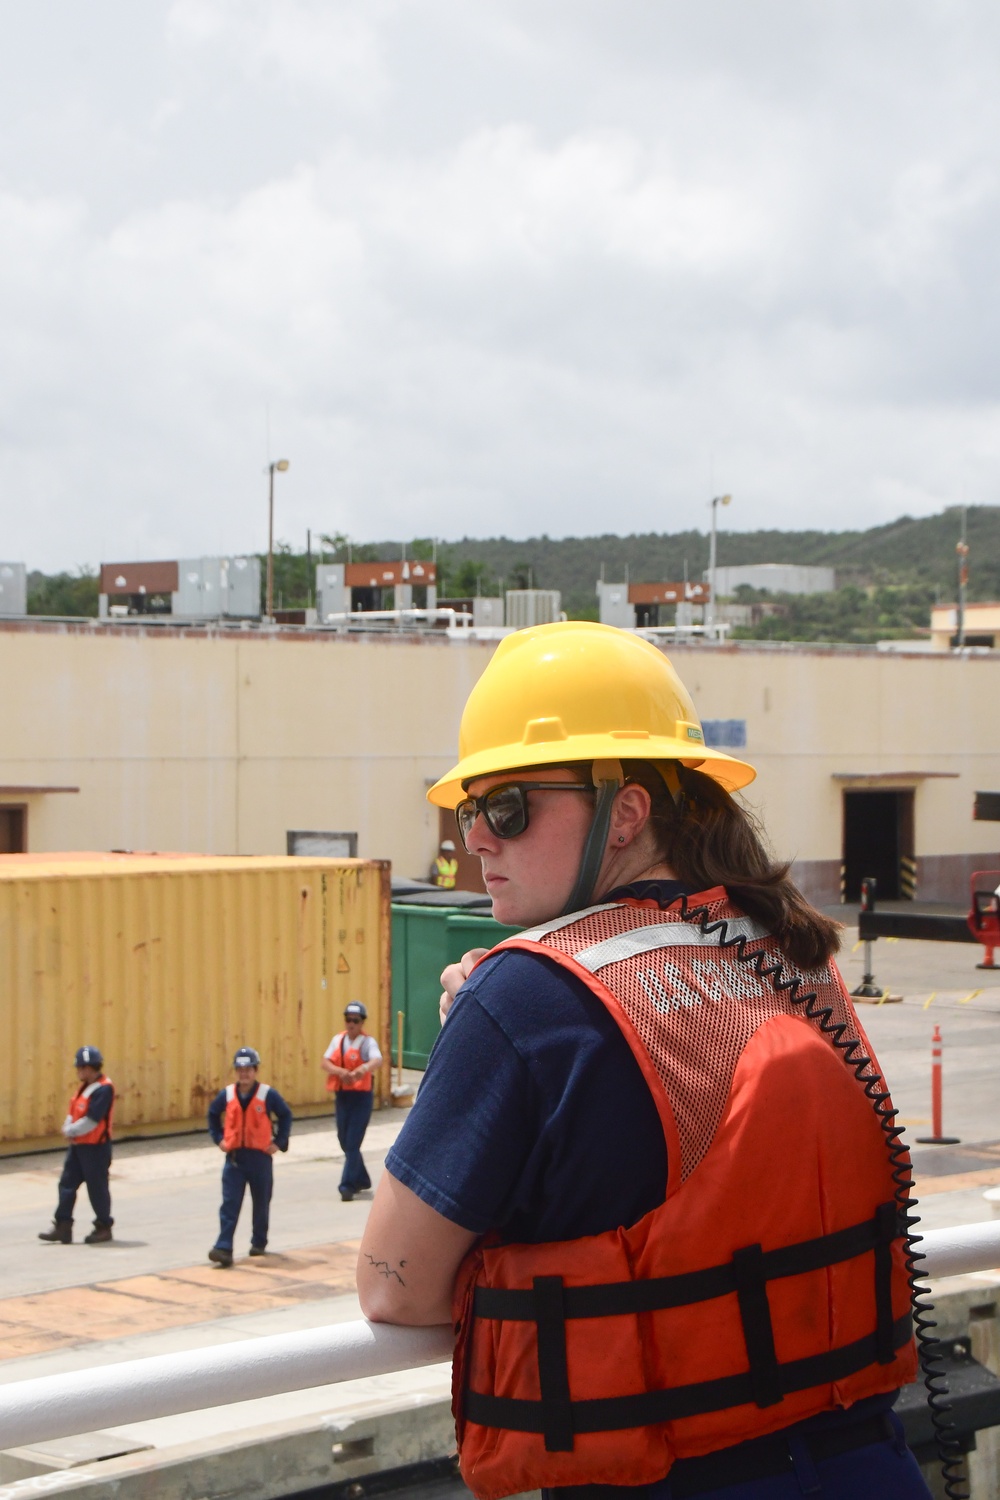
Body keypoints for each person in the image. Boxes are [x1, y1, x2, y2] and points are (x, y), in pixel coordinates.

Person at [359, 622, 929, 1500]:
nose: (477, 840)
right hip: (869, 1464)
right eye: (469, 810)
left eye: (506, 807)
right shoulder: (793, 953)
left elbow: (392, 1288)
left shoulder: (520, 999)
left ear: (625, 811)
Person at [207, 1046, 292, 1267]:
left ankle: (259, 1242)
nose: (244, 1074)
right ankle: (223, 1247)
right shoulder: (227, 1094)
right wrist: (219, 1139)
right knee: (229, 1204)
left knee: (261, 1202)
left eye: (248, 1069)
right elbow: (212, 1114)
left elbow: (285, 1115)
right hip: (235, 1158)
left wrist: (279, 1142)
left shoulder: (267, 1094)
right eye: (240, 1069)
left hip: (260, 1158)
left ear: (255, 1070)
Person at [39, 1046, 116, 1246]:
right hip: (78, 1147)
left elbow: (92, 1120)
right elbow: (74, 1111)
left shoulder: (104, 1089)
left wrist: (71, 1131)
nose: (78, 1071)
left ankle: (103, 1226)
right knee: (67, 1184)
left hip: (95, 1149)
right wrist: (68, 1126)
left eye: (81, 1067)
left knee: (97, 1188)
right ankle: (63, 1225)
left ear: (90, 1068)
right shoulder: (84, 1086)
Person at [322, 1002, 382, 1201]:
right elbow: (325, 1062)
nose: (351, 1024)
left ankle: (346, 1185)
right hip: (343, 1095)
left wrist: (360, 1070)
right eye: (348, 1020)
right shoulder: (338, 1040)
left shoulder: (367, 1043)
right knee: (344, 1140)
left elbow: (377, 1060)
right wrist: (341, 1072)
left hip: (361, 1097)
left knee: (353, 1141)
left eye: (355, 1021)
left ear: (362, 1022)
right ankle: (362, 1178)